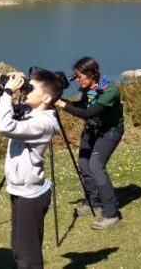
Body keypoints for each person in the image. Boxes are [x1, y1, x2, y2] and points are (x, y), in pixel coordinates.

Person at [0, 69, 63, 269]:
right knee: (19, 247)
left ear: (47, 97)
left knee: (28, 254)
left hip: (31, 194)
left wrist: (9, 94)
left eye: (31, 88)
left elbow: (5, 126)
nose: (26, 90)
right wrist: (2, 89)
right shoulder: (28, 111)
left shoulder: (43, 123)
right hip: (20, 189)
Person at [55, 57, 124, 230]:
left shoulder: (109, 91)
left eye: (80, 76)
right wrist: (66, 101)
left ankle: (111, 213)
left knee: (96, 166)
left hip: (110, 131)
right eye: (76, 76)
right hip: (92, 130)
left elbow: (89, 113)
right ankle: (93, 201)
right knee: (84, 165)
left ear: (91, 74)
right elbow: (84, 105)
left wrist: (62, 104)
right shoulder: (88, 88)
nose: (78, 80)